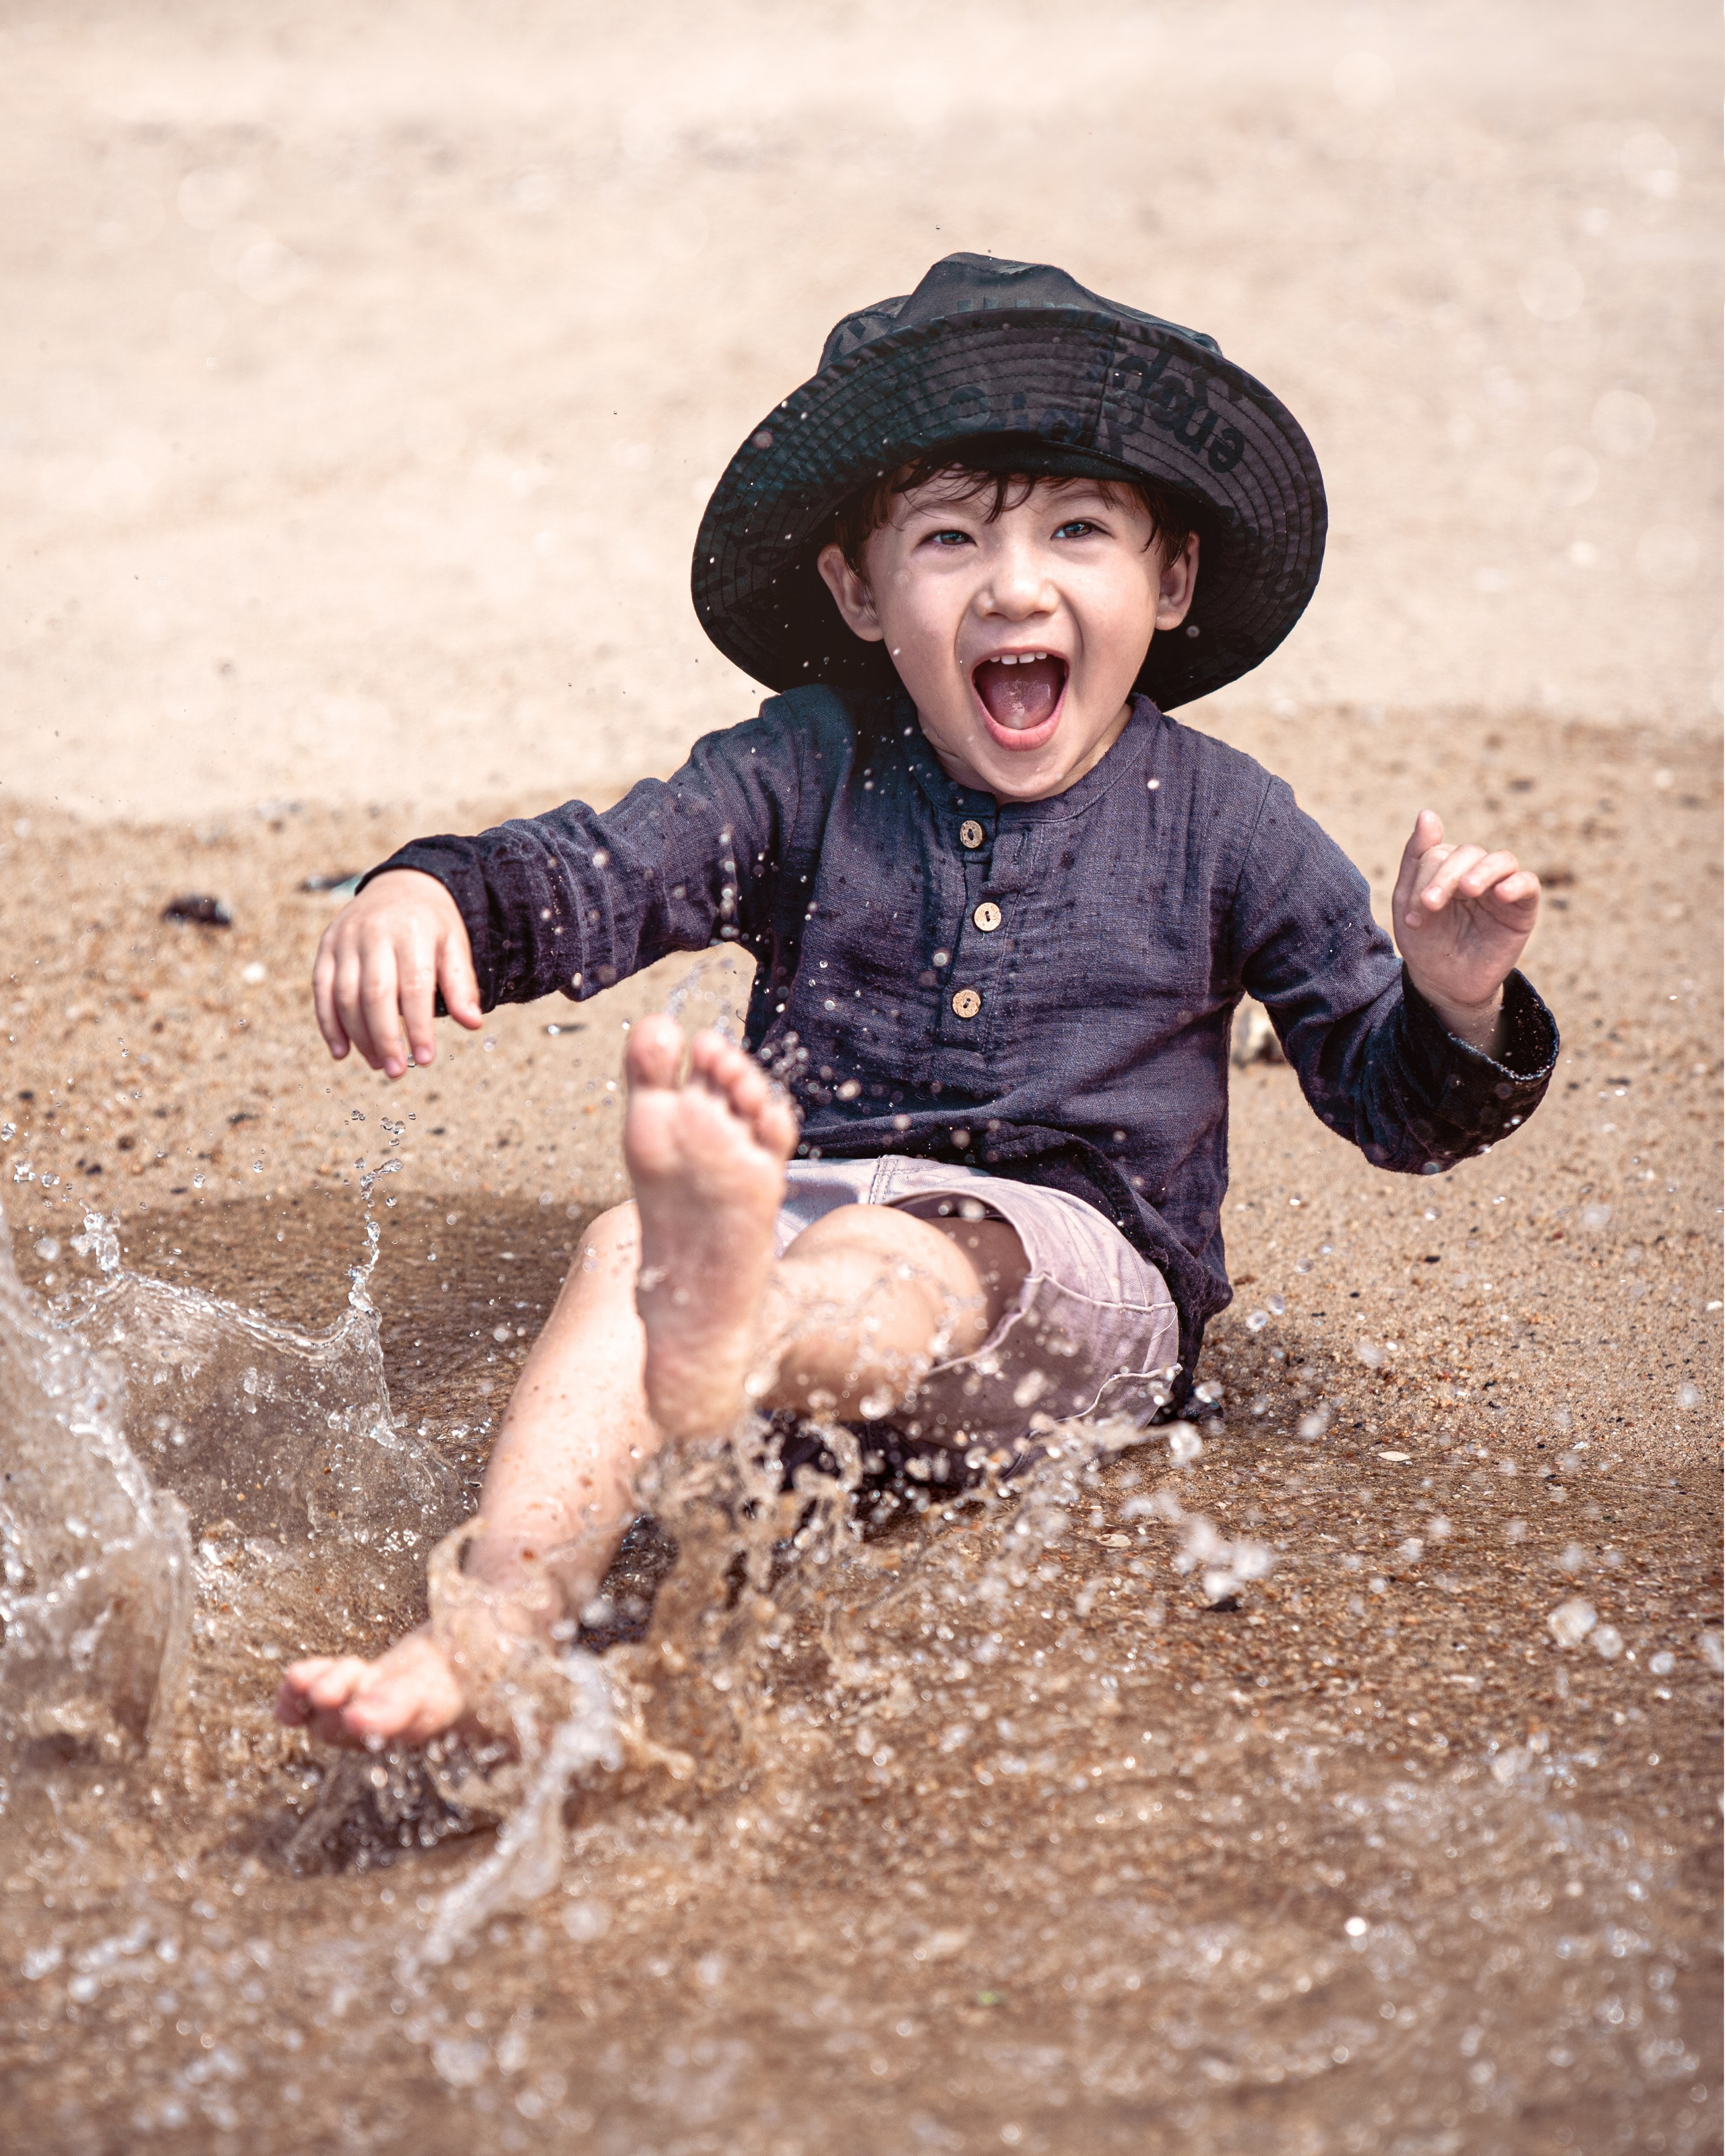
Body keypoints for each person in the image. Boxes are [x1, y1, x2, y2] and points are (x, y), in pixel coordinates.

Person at [276, 254, 1556, 1750]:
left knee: (888, 1254)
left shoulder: (1226, 821)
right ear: (860, 591)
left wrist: (1455, 999)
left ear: (1171, 582)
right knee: (627, 1246)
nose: (1015, 584)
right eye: (950, 538)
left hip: (1073, 1271)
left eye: (1078, 530)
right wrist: (432, 892)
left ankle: (734, 1332)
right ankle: (485, 1628)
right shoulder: (804, 766)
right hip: (796, 1209)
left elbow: (1388, 1103)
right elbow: (605, 872)